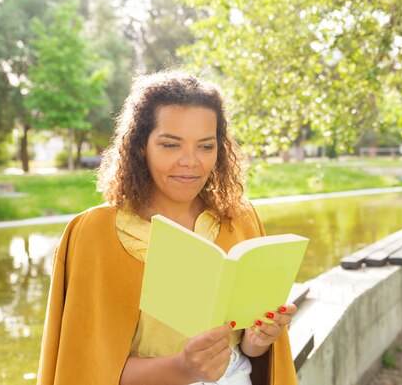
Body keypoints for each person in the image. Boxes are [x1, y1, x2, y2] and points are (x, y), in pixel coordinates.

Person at [37, 70, 298, 385]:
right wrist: (185, 367)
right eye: (171, 145)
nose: (190, 161)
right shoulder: (96, 233)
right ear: (139, 147)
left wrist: (259, 340)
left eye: (205, 146)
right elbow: (86, 369)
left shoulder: (239, 219)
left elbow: (252, 352)